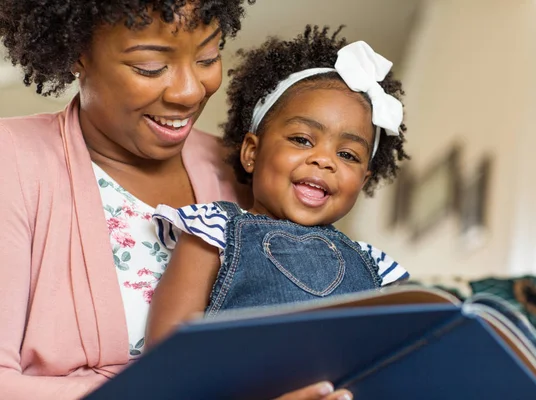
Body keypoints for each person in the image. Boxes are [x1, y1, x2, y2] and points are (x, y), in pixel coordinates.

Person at [0, 2, 355, 399]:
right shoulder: (12, 159)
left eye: (207, 57)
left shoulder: (244, 172)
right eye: (150, 67)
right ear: (77, 53)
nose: (188, 92)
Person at [147, 26, 410, 344]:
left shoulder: (375, 266)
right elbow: (167, 352)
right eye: (302, 139)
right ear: (252, 152)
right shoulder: (214, 232)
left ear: (364, 180)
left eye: (347, 154)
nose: (325, 161)